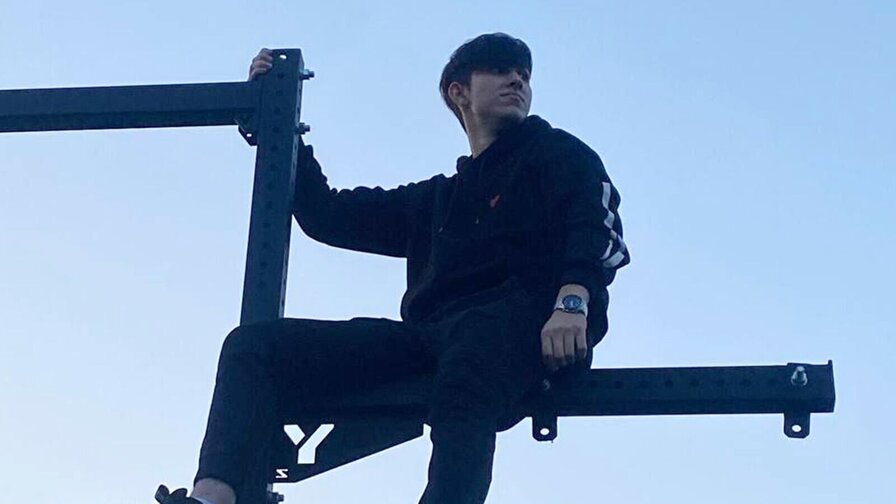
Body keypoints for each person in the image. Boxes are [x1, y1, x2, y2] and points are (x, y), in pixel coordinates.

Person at [155, 32, 629, 504]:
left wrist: (573, 302)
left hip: (525, 322)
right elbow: (327, 215)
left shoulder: (556, 152)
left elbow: (596, 225)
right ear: (459, 92)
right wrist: (273, 119)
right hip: (433, 337)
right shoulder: (438, 201)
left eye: (523, 74)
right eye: (500, 69)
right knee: (253, 347)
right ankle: (214, 495)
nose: (517, 81)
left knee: (468, 366)